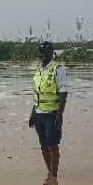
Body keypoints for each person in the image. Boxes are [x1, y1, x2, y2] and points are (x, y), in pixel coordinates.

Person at [28, 41, 68, 177]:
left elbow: (63, 92)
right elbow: (38, 93)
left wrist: (60, 114)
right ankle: (50, 173)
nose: (43, 55)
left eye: (45, 52)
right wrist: (32, 113)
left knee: (52, 145)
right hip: (38, 114)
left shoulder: (58, 69)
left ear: (52, 53)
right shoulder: (39, 70)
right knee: (43, 145)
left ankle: (54, 176)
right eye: (41, 52)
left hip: (52, 114)